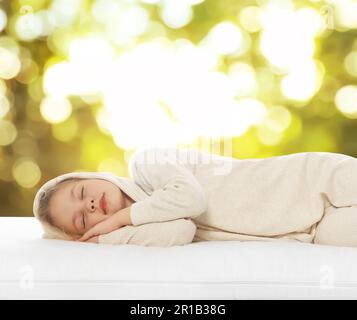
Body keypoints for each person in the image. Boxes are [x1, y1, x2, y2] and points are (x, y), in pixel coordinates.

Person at [32, 147, 357, 248]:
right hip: (310, 230)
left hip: (312, 179)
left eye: (82, 192)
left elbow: (191, 198)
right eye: (82, 220)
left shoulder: (146, 164)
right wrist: (107, 239)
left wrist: (119, 218)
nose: (88, 205)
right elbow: (181, 231)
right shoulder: (141, 229)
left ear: (94, 177)